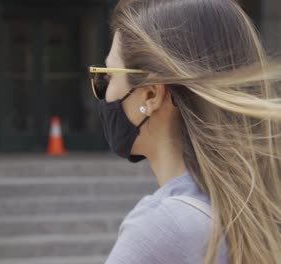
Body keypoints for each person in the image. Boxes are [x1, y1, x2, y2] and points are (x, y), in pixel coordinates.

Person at [89, 0, 281, 263]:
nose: (104, 92)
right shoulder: (260, 213)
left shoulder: (159, 231)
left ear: (151, 94)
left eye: (107, 77)